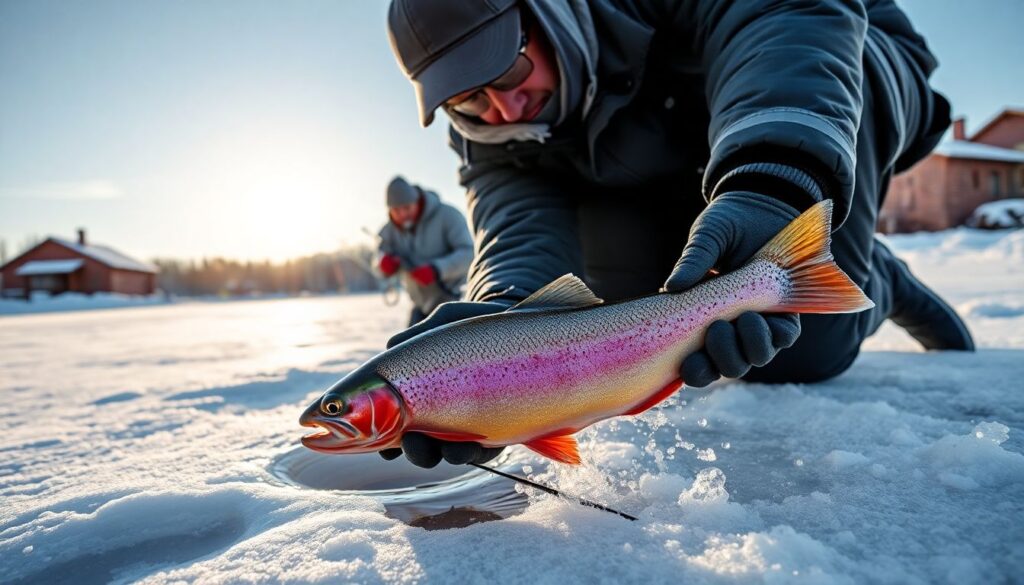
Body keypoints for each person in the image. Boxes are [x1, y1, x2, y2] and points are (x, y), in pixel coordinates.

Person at [378, 0, 975, 469]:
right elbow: (520, 226)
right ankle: (799, 248)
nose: (505, 110)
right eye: (469, 101)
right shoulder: (487, 132)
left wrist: (770, 183)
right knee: (648, 307)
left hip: (832, 50)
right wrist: (501, 330)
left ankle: (872, 273)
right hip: (659, 145)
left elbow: (782, 15)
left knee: (804, 342)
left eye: (506, 69)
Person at [376, 176, 474, 326]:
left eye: (407, 208)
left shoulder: (448, 216)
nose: (402, 214)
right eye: (396, 210)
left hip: (454, 304)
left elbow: (469, 254)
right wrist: (383, 265)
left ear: (417, 201)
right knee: (405, 348)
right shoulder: (388, 231)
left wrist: (437, 269)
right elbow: (377, 258)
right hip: (420, 307)